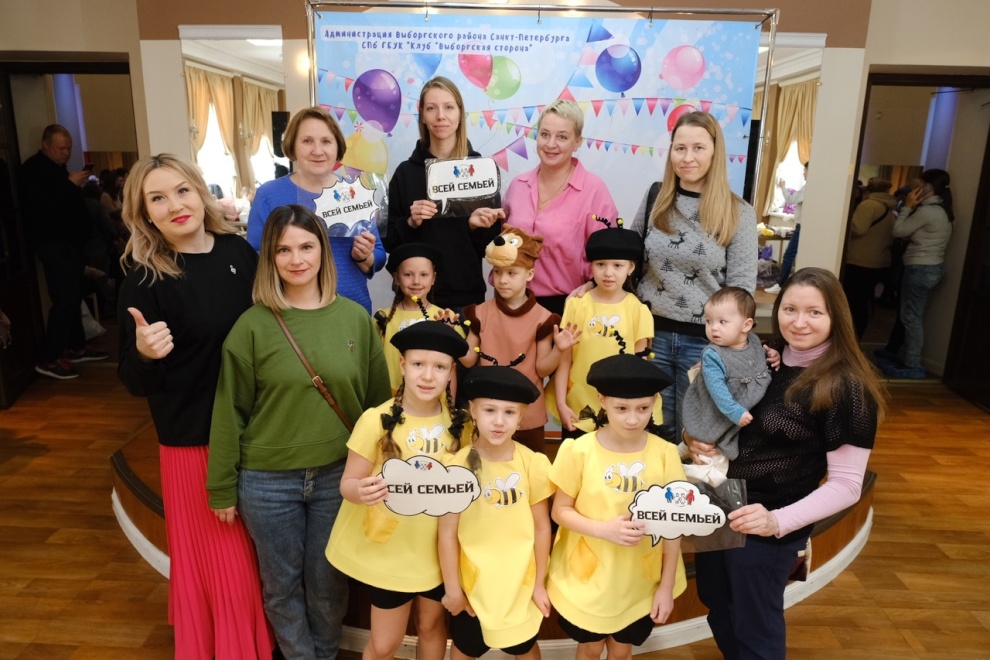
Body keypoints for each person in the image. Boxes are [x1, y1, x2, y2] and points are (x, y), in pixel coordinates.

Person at [208, 204, 390, 659]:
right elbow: (229, 411)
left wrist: (383, 468)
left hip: (337, 477)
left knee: (329, 584)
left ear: (323, 251)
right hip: (267, 481)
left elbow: (377, 408)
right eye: (283, 250)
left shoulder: (355, 318)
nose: (296, 259)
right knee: (281, 586)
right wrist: (221, 486)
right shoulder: (251, 327)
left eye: (306, 246)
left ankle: (324, 654)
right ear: (269, 258)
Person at [116, 153, 275, 659]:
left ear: (200, 192)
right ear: (144, 213)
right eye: (157, 198)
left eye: (181, 190)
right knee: (226, 565)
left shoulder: (238, 252)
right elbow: (132, 380)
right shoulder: (144, 278)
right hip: (195, 442)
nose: (174, 205)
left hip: (255, 432)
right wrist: (145, 355)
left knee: (255, 561)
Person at [686, 267, 885, 659]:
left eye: (815, 312)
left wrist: (776, 522)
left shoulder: (847, 387)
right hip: (720, 504)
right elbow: (714, 407)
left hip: (769, 523)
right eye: (790, 309)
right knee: (718, 604)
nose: (799, 322)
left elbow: (847, 485)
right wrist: (695, 439)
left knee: (755, 626)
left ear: (836, 317)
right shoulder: (760, 355)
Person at [326, 321, 469, 660]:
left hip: (440, 550)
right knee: (384, 644)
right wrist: (360, 491)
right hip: (392, 552)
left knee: (432, 627)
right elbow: (348, 483)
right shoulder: (375, 420)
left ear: (451, 372)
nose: (428, 376)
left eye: (440, 367)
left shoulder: (462, 425)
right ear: (403, 365)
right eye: (418, 364)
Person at [630, 111, 758, 444]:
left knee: (696, 436)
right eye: (680, 148)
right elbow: (628, 257)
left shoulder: (738, 212)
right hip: (649, 335)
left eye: (698, 148)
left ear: (715, 152)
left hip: (705, 344)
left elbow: (741, 290)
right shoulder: (656, 197)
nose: (688, 158)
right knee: (650, 430)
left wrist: (730, 348)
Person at [548, 353, 684, 659]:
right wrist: (604, 530)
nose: (633, 419)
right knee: (590, 646)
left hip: (640, 578)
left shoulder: (665, 454)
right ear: (602, 401)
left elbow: (673, 524)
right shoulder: (579, 450)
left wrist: (665, 586)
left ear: (654, 403)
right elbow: (560, 511)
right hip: (590, 575)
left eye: (643, 408)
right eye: (622, 408)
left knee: (622, 649)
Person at [439, 366, 553, 660]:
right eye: (490, 410)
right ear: (473, 410)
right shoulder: (456, 467)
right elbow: (447, 533)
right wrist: (453, 589)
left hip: (519, 582)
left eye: (510, 412)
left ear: (521, 417)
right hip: (474, 583)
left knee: (524, 647)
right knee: (466, 647)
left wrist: (539, 584)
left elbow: (542, 527)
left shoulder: (533, 464)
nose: (499, 421)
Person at [246, 106, 385, 313]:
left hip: (351, 310)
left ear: (337, 147)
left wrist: (365, 256)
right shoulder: (269, 195)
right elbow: (254, 258)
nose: (318, 150)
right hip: (290, 312)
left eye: (326, 141)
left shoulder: (354, 193)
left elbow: (379, 256)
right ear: (293, 146)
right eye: (307, 141)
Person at [384, 76, 504, 310]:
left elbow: (491, 248)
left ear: (460, 114)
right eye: (432, 108)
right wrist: (410, 223)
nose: (441, 116)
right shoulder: (405, 173)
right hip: (415, 298)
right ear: (422, 115)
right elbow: (389, 242)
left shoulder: (480, 171)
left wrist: (475, 227)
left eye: (448, 107)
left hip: (465, 297)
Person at [461, 224, 580, 453]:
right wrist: (451, 339)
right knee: (487, 467)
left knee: (532, 469)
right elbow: (468, 360)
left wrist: (559, 350)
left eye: (511, 273)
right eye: (497, 272)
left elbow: (542, 369)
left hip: (527, 414)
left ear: (529, 275)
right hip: (488, 412)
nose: (502, 280)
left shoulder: (543, 318)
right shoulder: (480, 313)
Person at [502, 100, 619, 316]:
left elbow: (611, 255)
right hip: (509, 303)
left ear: (577, 142)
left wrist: (593, 285)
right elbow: (500, 244)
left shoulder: (594, 190)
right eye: (545, 134)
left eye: (562, 137)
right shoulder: (517, 186)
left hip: (566, 308)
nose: (551, 144)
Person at [549, 220, 654, 440]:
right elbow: (564, 360)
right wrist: (561, 403)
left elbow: (640, 367)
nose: (608, 273)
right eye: (601, 264)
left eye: (617, 266)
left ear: (630, 267)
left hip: (621, 408)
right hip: (578, 404)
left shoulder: (638, 310)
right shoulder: (577, 304)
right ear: (591, 266)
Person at [20, 124, 108, 379]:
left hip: (69, 245)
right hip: (53, 244)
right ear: (46, 145)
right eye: (61, 148)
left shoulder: (57, 169)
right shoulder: (33, 170)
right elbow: (42, 207)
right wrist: (69, 184)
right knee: (65, 298)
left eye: (69, 148)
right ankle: (49, 358)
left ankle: (77, 347)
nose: (66, 153)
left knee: (75, 294)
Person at [680, 287, 772, 486]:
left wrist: (772, 355)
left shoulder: (754, 341)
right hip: (717, 410)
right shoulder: (712, 354)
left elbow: (759, 361)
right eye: (709, 321)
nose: (714, 328)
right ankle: (695, 483)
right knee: (710, 454)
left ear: (746, 325)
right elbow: (717, 390)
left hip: (739, 412)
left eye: (722, 322)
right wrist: (735, 411)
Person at [875, 170, 953, 380]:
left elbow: (898, 231)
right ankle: (901, 355)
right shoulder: (943, 210)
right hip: (932, 268)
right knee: (912, 317)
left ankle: (912, 365)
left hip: (920, 268)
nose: (915, 190)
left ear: (929, 187)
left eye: (920, 185)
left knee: (911, 319)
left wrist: (908, 207)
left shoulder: (928, 211)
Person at [375, 242, 448, 394]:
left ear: (433, 278)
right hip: (390, 397)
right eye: (408, 274)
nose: (416, 281)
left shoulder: (445, 317)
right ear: (396, 277)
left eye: (424, 275)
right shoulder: (382, 318)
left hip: (432, 397)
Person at [842, 178, 896, 338]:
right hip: (878, 261)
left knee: (854, 303)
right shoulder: (889, 208)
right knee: (861, 301)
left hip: (861, 260)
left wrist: (845, 220)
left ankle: (851, 339)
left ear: (868, 190)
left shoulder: (869, 205)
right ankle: (855, 339)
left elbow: (858, 228)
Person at [764, 162, 808, 295]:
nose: (803, 173)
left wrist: (783, 187)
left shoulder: (809, 186)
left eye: (805, 170)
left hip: (802, 226)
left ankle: (780, 284)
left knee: (788, 255)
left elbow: (791, 199)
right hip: (803, 225)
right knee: (793, 256)